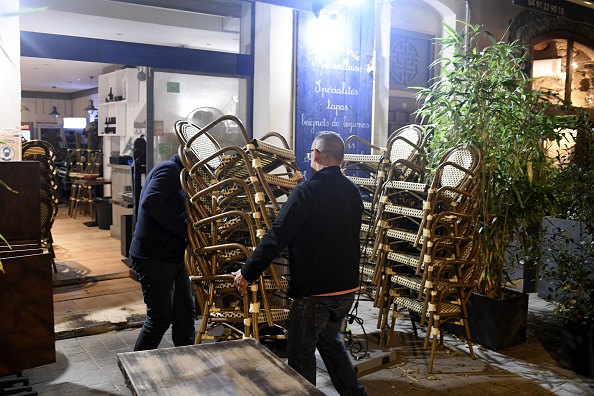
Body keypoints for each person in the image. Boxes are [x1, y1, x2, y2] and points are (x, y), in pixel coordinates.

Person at [233, 131, 366, 395]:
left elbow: (277, 235)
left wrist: (247, 272)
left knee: (301, 353)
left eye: (309, 155)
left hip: (317, 293)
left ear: (316, 155)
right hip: (347, 289)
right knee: (330, 344)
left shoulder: (307, 191)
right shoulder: (353, 192)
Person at [129, 152, 195, 351]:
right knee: (159, 318)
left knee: (185, 314)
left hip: (172, 255)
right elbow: (152, 201)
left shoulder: (180, 173)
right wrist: (185, 231)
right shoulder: (169, 170)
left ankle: (185, 361)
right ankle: (136, 371)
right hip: (154, 257)